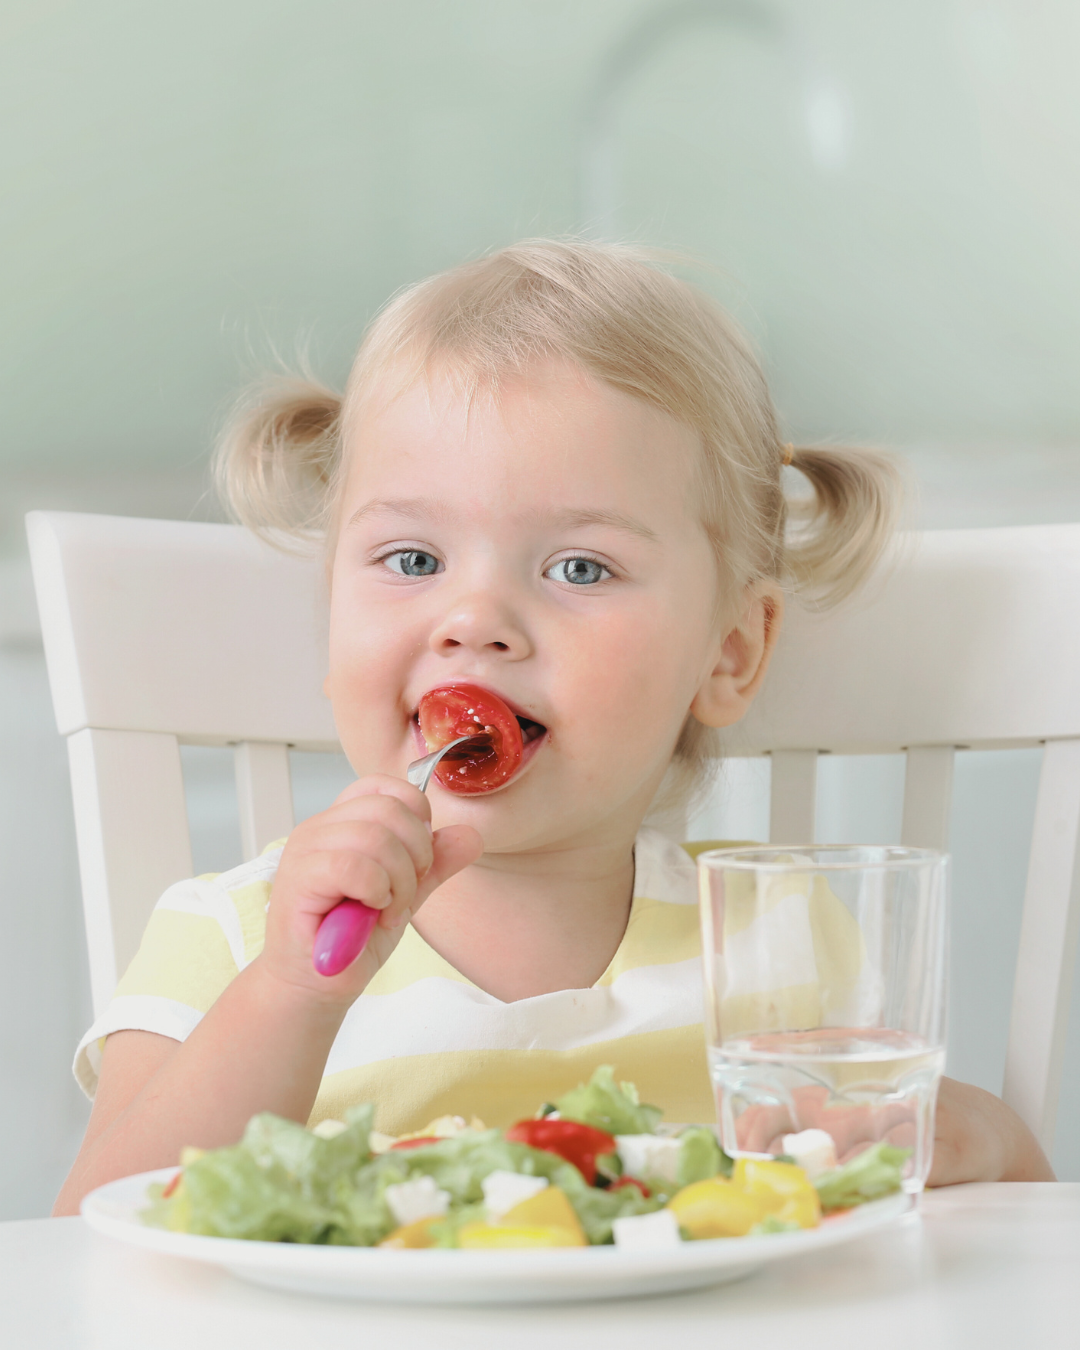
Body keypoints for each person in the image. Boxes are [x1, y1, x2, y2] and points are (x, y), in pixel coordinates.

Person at [54, 240, 1053, 1214]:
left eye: (579, 568)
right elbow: (94, 1238)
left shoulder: (776, 943)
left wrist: (993, 1143)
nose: (473, 620)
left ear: (730, 653)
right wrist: (290, 994)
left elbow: (939, 1243)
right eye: (410, 560)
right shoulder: (231, 936)